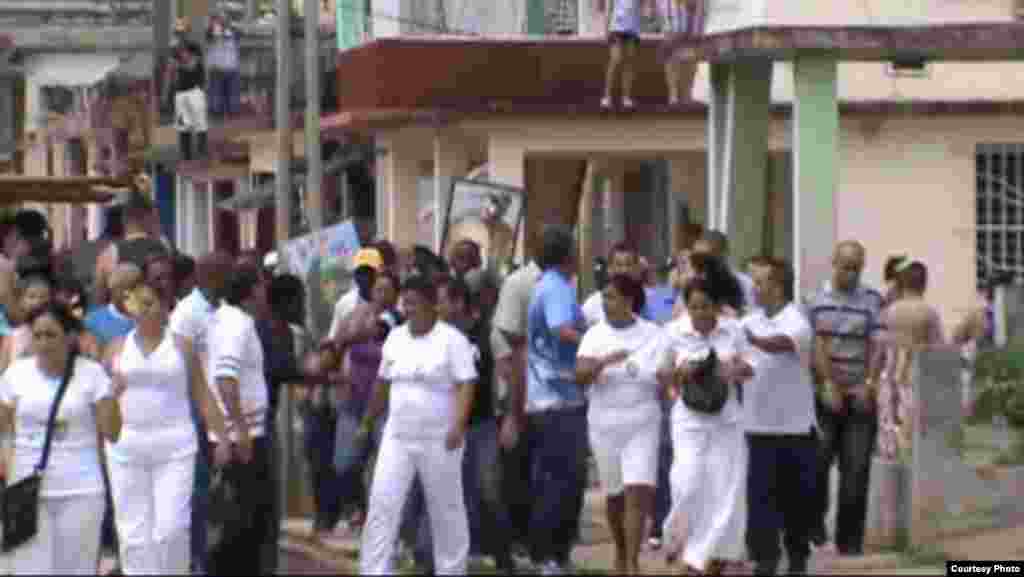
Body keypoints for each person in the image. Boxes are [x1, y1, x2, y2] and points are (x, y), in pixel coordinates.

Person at [104, 281, 229, 575]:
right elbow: (101, 400)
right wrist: (111, 391)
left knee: (171, 529)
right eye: (139, 303)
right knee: (133, 535)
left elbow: (202, 393)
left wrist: (222, 437)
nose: (145, 310)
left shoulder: (182, 346)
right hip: (126, 448)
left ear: (164, 307)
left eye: (151, 303)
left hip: (175, 447)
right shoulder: (115, 347)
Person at [357, 275, 477, 575]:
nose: (408, 309)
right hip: (398, 437)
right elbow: (382, 384)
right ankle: (374, 570)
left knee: (445, 508)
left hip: (440, 439)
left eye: (414, 303)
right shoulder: (395, 338)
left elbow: (466, 384)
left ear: (431, 304)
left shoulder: (453, 341)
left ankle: (451, 570)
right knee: (382, 503)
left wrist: (458, 424)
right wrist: (367, 421)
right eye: (405, 303)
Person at [0, 302, 123, 574]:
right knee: (28, 569)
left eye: (51, 335)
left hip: (81, 490)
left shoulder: (91, 373)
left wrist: (112, 397)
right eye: (37, 335)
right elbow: (3, 426)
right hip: (26, 490)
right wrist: (8, 463)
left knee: (76, 569)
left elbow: (112, 433)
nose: (43, 343)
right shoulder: (16, 374)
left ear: (69, 337)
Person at [659, 276, 756, 575]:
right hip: (689, 420)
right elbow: (661, 374)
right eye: (694, 307)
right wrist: (680, 374)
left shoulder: (734, 330)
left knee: (724, 489)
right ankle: (678, 541)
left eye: (706, 306)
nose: (700, 313)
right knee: (686, 483)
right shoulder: (673, 332)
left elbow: (751, 367)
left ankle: (708, 557)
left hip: (727, 420)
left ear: (717, 306)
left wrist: (732, 369)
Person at [577, 273, 666, 573]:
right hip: (605, 422)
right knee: (615, 496)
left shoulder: (653, 334)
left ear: (629, 301)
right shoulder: (594, 335)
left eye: (611, 297)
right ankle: (620, 548)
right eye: (604, 296)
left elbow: (664, 376)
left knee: (637, 491)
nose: (605, 302)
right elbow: (580, 376)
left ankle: (632, 562)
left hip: (642, 421)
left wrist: (667, 378)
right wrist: (602, 362)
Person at [741, 257, 818, 575]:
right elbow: (745, 363)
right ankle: (765, 558)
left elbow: (780, 344)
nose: (754, 289)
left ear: (777, 286)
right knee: (760, 498)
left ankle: (798, 558)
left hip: (794, 428)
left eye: (759, 283)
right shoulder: (750, 320)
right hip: (757, 425)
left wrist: (752, 339)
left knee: (795, 500)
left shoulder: (796, 320)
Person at [806, 240, 883, 555]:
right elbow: (814, 344)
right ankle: (814, 527)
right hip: (824, 398)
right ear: (833, 263)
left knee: (856, 471)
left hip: (859, 397)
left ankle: (849, 543)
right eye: (845, 267)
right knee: (817, 464)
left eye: (856, 268)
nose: (850, 273)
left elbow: (877, 345)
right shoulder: (814, 300)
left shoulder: (872, 301)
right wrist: (826, 383)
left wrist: (869, 383)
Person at [523, 225, 588, 574]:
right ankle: (551, 555)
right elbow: (560, 328)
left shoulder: (546, 285)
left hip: (549, 397)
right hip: (557, 398)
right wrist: (593, 341)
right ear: (566, 255)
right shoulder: (557, 287)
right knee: (563, 480)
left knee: (552, 478)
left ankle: (550, 554)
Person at [207, 265, 276, 576]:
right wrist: (240, 430)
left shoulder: (225, 319)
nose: (265, 293)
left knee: (238, 521)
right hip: (242, 437)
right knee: (243, 524)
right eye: (261, 286)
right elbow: (225, 378)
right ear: (252, 291)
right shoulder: (237, 325)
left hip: (233, 433)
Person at [168, 251, 234, 574]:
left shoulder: (224, 310)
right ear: (210, 276)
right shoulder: (187, 314)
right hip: (198, 413)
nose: (231, 279)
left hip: (223, 410)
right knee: (198, 495)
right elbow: (185, 372)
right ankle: (195, 562)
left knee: (217, 496)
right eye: (226, 273)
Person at [94, 195, 168, 307]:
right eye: (156, 219)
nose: (158, 224)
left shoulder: (109, 254)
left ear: (124, 220)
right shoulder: (165, 249)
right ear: (146, 218)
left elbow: (99, 300)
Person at [600, 0, 650, 109]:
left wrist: (644, 17)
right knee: (616, 59)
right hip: (616, 27)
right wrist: (606, 29)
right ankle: (607, 96)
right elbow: (609, 7)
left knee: (629, 61)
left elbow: (644, 5)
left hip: (632, 28)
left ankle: (626, 97)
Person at [82, 263, 143, 354]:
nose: (131, 293)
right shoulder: (93, 321)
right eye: (126, 287)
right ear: (113, 289)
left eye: (136, 287)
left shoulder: (147, 317)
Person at [0, 272, 54, 370]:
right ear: (21, 301)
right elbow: (3, 367)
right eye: (32, 296)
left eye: (43, 297)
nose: (37, 301)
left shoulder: (54, 329)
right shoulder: (11, 334)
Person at [582, 241, 643, 328]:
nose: (624, 270)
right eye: (619, 265)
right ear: (609, 269)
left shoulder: (650, 302)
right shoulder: (593, 305)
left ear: (637, 268)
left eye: (629, 264)